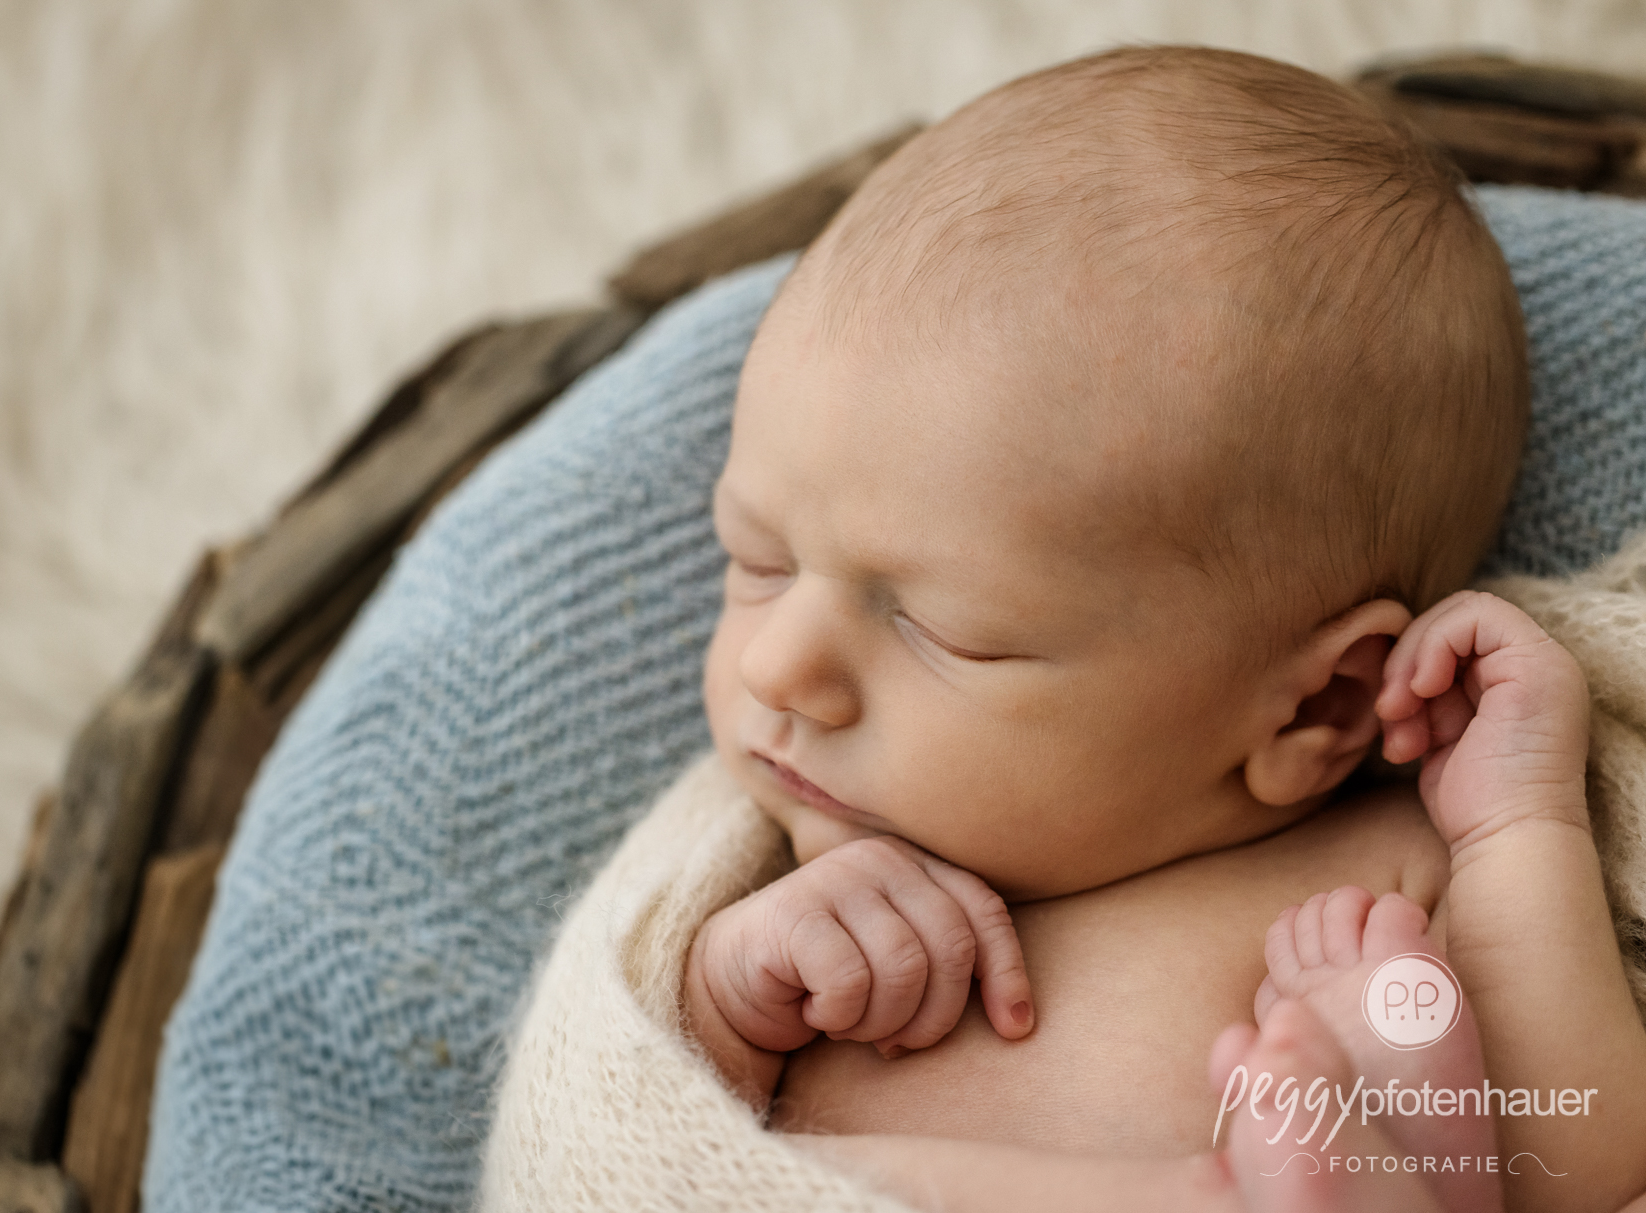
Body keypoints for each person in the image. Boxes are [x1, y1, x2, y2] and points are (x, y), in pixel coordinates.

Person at [678, 45, 1646, 1212]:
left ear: (1322, 705)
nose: (777, 665)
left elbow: (1580, 1168)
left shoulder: (1376, 879)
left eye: (945, 630)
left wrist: (1517, 830)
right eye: (758, 560)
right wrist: (726, 999)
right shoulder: (772, 886)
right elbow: (627, 1133)